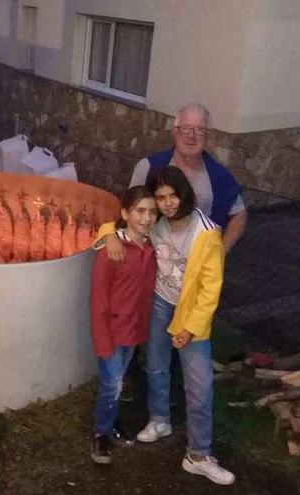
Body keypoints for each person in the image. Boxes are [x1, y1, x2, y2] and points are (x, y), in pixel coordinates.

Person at [97, 167, 235, 485]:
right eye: (160, 197)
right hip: (159, 304)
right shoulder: (156, 222)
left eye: (172, 195)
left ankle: (199, 455)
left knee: (198, 385)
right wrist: (107, 235)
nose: (168, 203)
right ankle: (160, 419)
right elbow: (117, 221)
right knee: (156, 366)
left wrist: (190, 327)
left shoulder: (207, 235)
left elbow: (210, 290)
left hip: (190, 314)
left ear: (184, 193)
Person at [89, 186, 158, 464]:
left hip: (134, 331)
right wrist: (103, 340)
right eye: (140, 211)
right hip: (112, 333)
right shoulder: (111, 252)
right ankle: (100, 433)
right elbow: (98, 301)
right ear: (125, 214)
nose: (147, 217)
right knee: (113, 383)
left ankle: (110, 422)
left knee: (116, 383)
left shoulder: (152, 246)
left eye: (152, 212)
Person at [128, 102, 247, 253]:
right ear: (175, 132)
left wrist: (221, 252)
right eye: (185, 128)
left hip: (197, 263)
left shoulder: (220, 177)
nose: (191, 136)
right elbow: (129, 210)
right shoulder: (148, 167)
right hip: (150, 258)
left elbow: (239, 214)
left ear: (208, 136)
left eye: (199, 130)